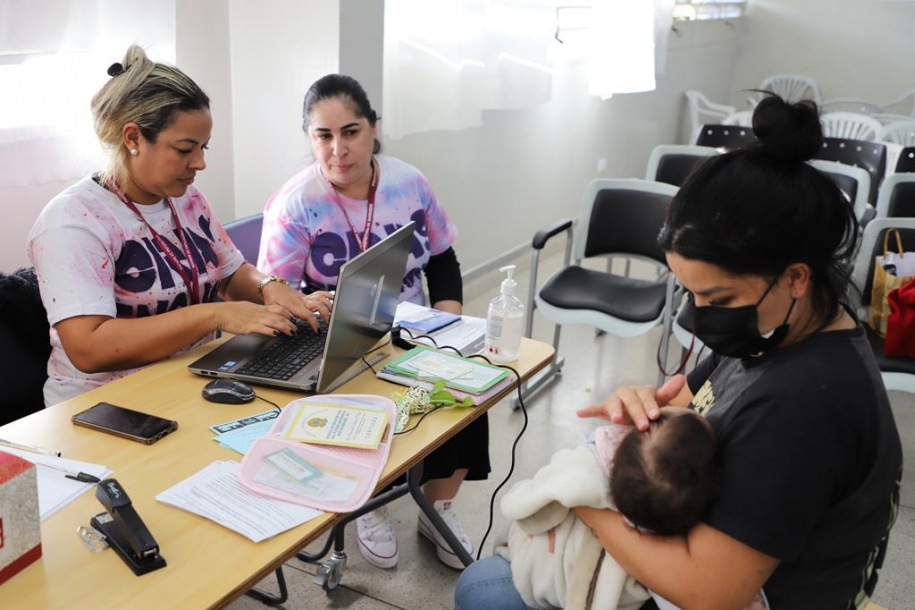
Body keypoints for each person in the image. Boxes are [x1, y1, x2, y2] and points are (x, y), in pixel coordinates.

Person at [455, 95, 903, 609]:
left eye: (718, 298)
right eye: (689, 292)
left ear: (796, 277)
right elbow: (687, 399)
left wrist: (584, 500)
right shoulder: (773, 332)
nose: (698, 314)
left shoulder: (803, 405)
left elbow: (709, 593)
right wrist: (642, 402)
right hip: (708, 548)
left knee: (485, 591)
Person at [258, 74, 486, 570]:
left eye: (352, 131)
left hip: (414, 332)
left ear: (374, 129)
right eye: (323, 135)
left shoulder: (408, 182)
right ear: (309, 138)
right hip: (334, 346)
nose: (339, 149)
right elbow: (275, 301)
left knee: (471, 387)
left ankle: (437, 507)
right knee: (367, 406)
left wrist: (447, 332)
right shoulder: (295, 205)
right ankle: (366, 503)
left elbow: (444, 260)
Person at [27, 45, 332, 407]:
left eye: (204, 147)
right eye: (185, 149)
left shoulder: (186, 199)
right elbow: (89, 349)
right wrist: (213, 314)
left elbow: (232, 276)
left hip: (187, 385)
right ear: (133, 138)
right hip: (102, 408)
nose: (200, 163)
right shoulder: (72, 222)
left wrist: (271, 287)